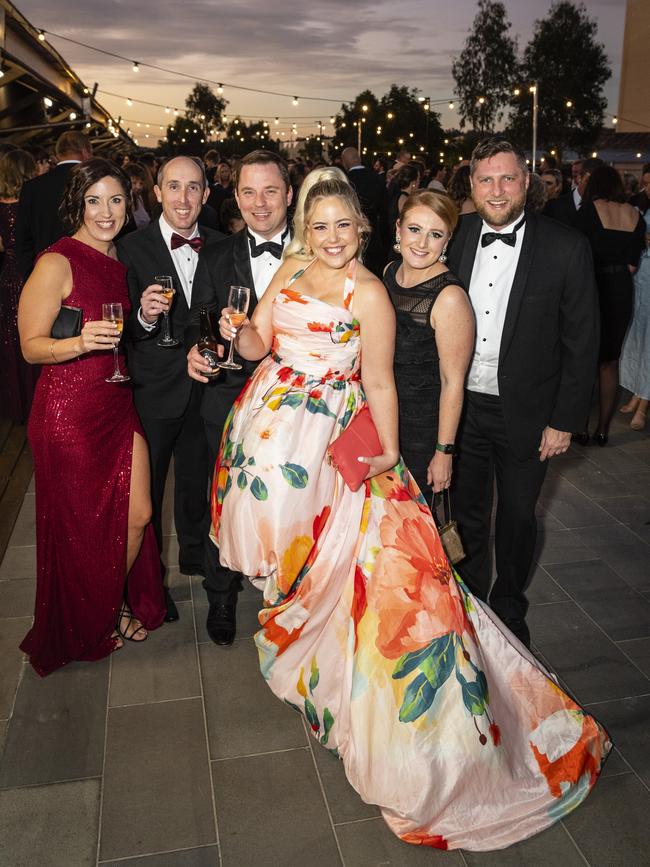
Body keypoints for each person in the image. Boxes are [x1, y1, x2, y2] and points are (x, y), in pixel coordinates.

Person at [211, 175, 609, 851]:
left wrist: (390, 452)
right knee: (313, 573)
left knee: (371, 574)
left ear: (363, 229)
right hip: (269, 429)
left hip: (338, 444)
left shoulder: (369, 291)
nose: (331, 237)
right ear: (306, 229)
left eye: (343, 225)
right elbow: (255, 345)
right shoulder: (292, 267)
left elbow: (380, 380)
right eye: (320, 226)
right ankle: (328, 673)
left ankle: (419, 733)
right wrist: (238, 328)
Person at [447, 137, 599, 648]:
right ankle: (467, 598)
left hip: (530, 414)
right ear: (470, 185)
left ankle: (509, 602)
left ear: (526, 183)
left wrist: (565, 420)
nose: (496, 189)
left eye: (507, 178)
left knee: (516, 515)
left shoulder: (565, 246)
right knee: (466, 513)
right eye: (485, 179)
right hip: (463, 408)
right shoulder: (456, 236)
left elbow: (582, 342)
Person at [17, 158, 165, 676]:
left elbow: (126, 334)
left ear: (131, 204)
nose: (106, 212)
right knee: (81, 527)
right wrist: (79, 342)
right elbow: (32, 348)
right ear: (77, 204)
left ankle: (103, 604)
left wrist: (143, 313)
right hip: (69, 413)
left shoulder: (119, 260)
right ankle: (97, 616)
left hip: (115, 405)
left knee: (139, 513)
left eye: (117, 200)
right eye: (94, 200)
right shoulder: (57, 261)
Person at [186, 149, 293, 644]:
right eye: (248, 191)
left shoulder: (318, 252)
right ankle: (222, 596)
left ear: (290, 195)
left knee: (294, 503)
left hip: (298, 407)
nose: (260, 202)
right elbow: (201, 322)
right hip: (229, 399)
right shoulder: (214, 254)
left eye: (271, 190)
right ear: (236, 196)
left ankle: (295, 597)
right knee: (224, 503)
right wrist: (203, 349)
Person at [118, 156, 223, 623]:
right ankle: (151, 581)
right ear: (156, 192)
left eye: (194, 188)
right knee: (151, 487)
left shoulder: (223, 246)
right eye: (174, 187)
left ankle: (197, 555)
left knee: (197, 479)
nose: (184, 198)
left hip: (206, 386)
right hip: (155, 388)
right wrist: (143, 316)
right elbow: (122, 329)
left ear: (206, 194)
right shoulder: (129, 248)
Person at [385, 189, 474, 499]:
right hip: (382, 419)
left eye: (435, 234)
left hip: (421, 433)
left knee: (412, 530)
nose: (422, 243)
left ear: (447, 241)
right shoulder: (389, 273)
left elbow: (453, 382)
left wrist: (443, 452)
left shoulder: (449, 298)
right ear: (398, 229)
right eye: (414, 229)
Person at [576, 165, 646, 444]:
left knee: (584, 358)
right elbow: (632, 265)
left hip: (592, 287)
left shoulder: (589, 211)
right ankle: (603, 430)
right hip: (620, 290)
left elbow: (577, 254)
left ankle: (579, 427)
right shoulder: (634, 214)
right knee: (609, 362)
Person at [15, 131, 93, 279]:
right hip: (88, 271)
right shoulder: (96, 183)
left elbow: (22, 239)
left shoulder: (32, 187)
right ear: (85, 152)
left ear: (57, 154)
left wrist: (30, 276)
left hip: (43, 273)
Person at [0, 149, 39, 423]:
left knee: (10, 339)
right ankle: (35, 402)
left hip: (7, 276)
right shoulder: (31, 203)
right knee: (32, 334)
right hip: (30, 274)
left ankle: (15, 405)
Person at [619, 208, 650, 431]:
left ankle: (643, 405)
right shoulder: (645, 208)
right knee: (638, 336)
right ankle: (638, 394)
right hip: (642, 274)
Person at [341, 146, 389, 276]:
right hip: (375, 238)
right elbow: (385, 210)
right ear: (360, 159)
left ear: (344, 162)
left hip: (351, 240)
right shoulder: (377, 178)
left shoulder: (344, 182)